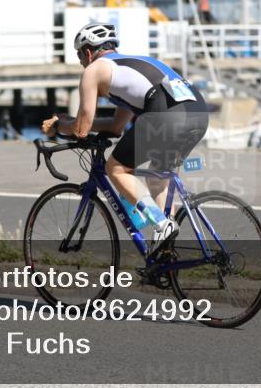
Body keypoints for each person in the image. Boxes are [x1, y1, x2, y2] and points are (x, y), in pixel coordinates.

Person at [41, 22, 209, 256]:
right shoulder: (132, 66)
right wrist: (73, 121)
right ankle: (165, 254)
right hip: (198, 113)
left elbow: (81, 130)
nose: (80, 62)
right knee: (158, 174)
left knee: (116, 168)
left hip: (166, 115)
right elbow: (115, 127)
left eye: (79, 55)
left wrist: (59, 125)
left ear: (88, 52)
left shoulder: (94, 70)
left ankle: (162, 224)